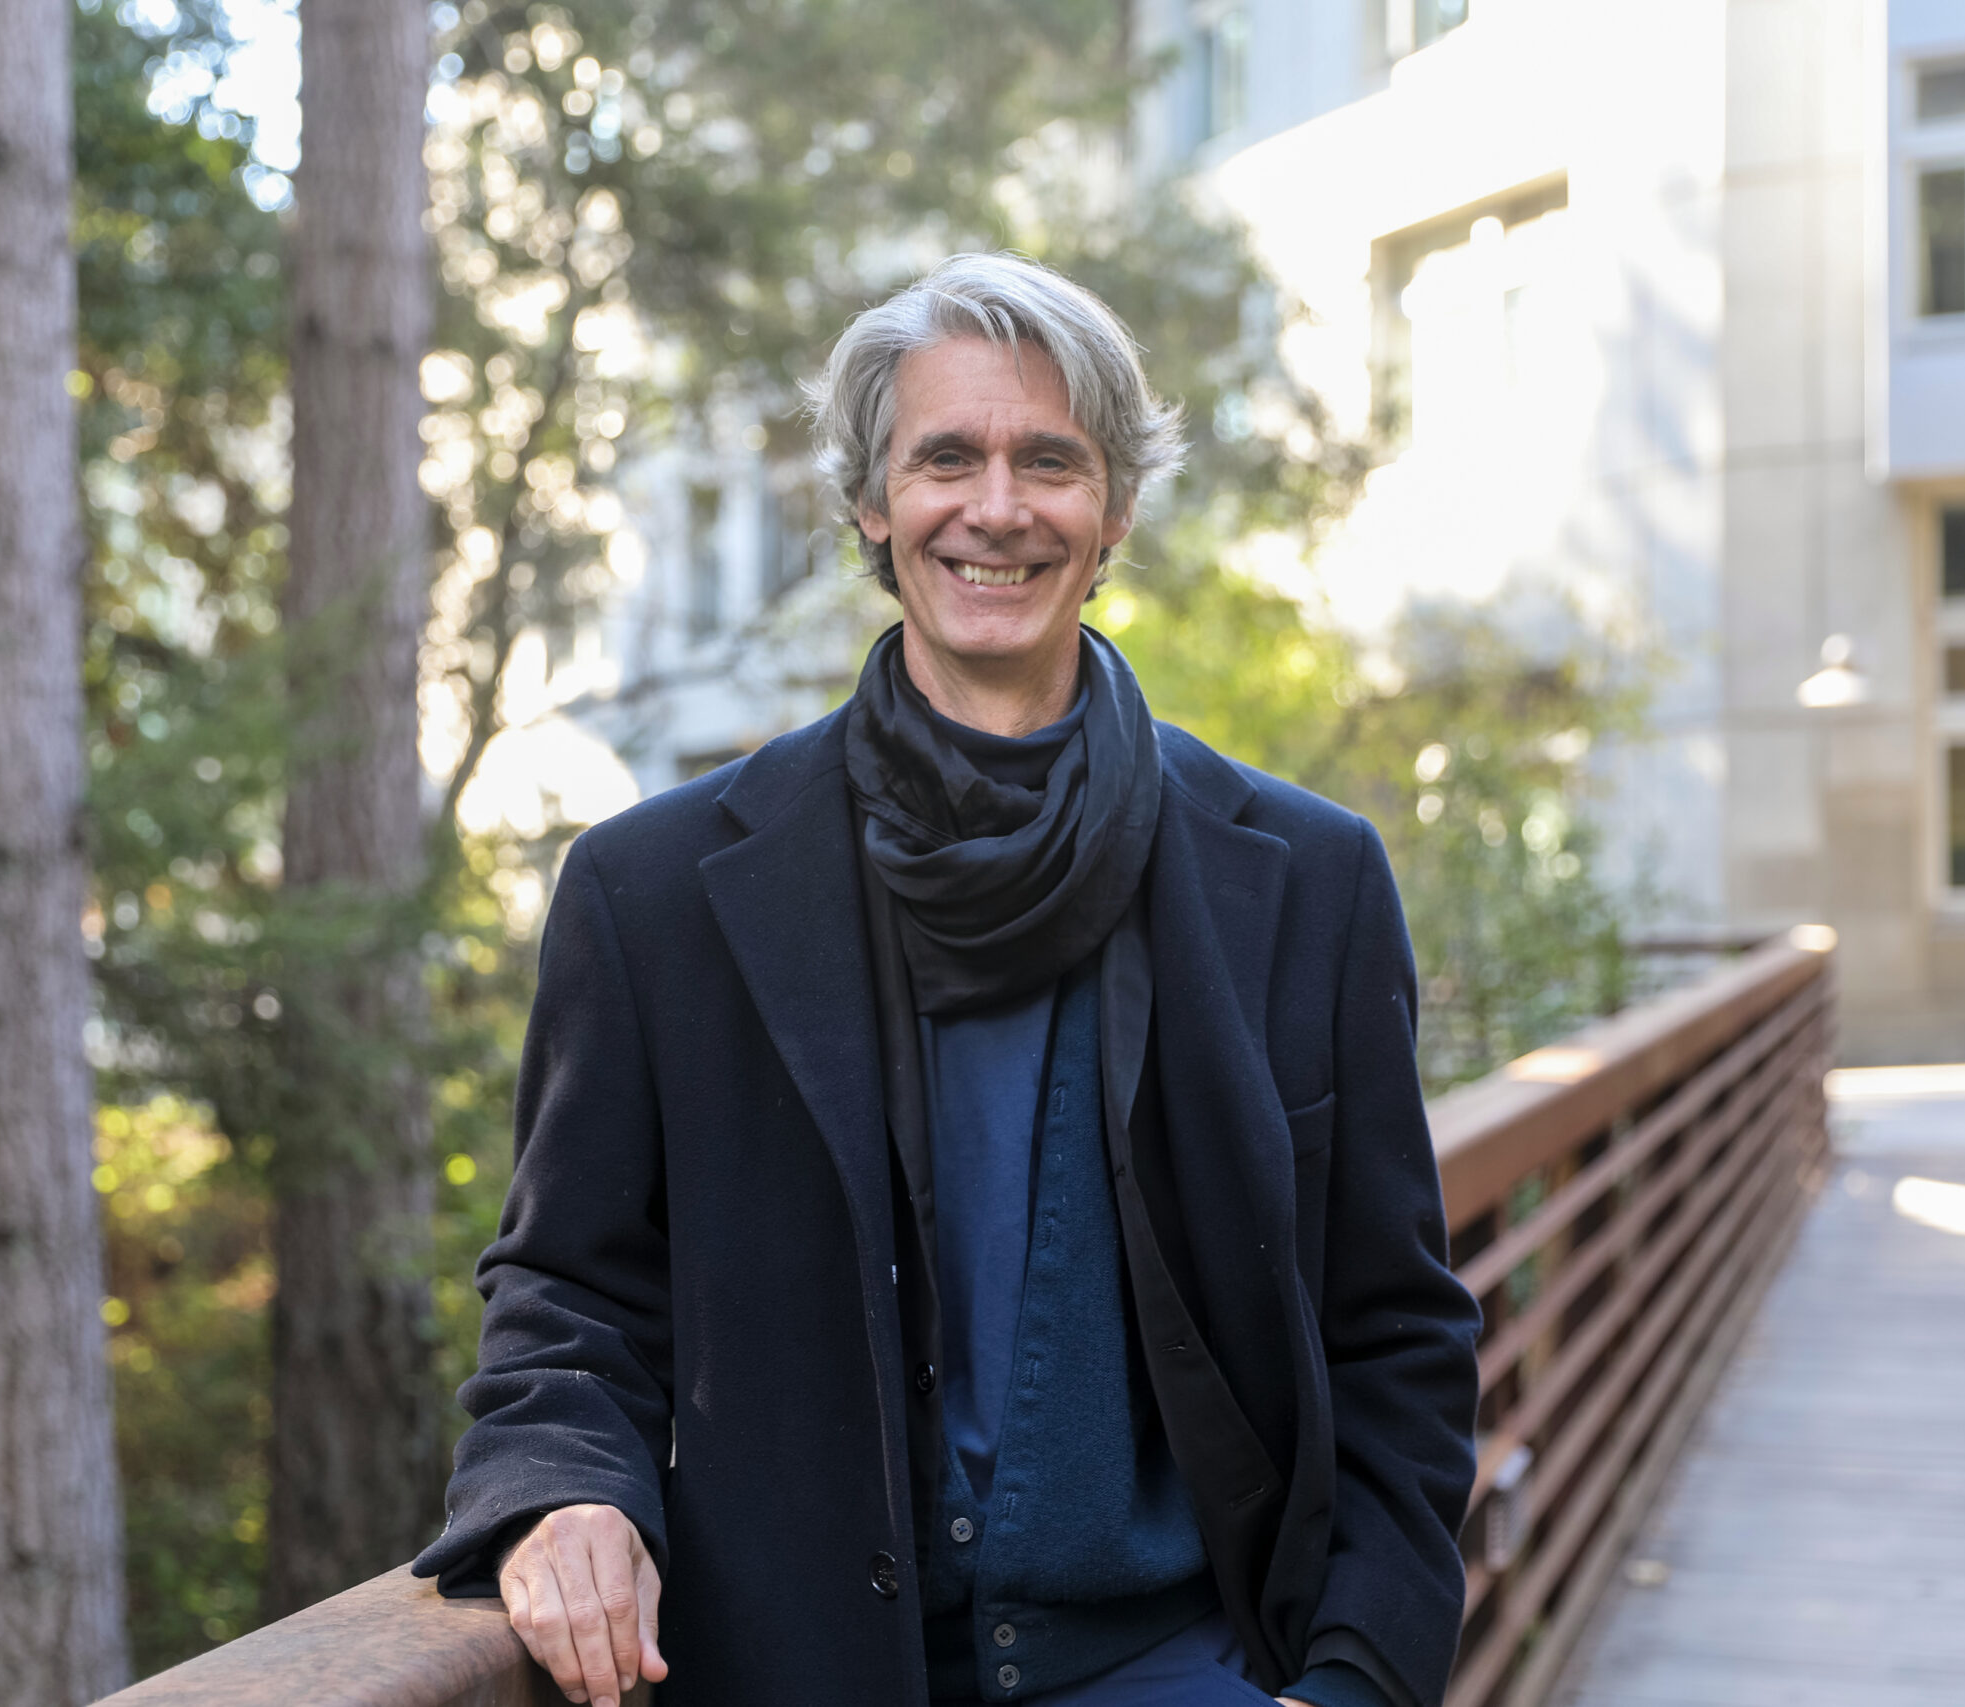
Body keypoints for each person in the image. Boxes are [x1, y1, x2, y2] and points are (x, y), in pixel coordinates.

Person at [413, 253, 1480, 1707]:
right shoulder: (651, 894)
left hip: (1186, 1663)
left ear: (1112, 513)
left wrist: (1356, 1679)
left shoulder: (1308, 878)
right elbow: (568, 1289)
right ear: (871, 502)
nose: (997, 508)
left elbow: (1396, 1336)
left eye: (1051, 461)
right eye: (946, 459)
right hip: (808, 1675)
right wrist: (567, 1490)